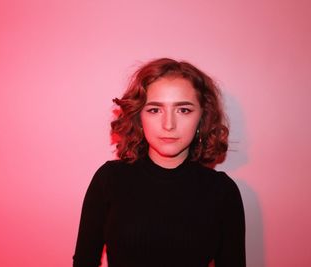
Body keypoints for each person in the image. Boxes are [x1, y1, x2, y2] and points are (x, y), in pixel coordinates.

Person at [73, 58, 246, 267]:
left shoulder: (222, 192)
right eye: (155, 110)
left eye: (183, 110)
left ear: (203, 117)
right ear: (139, 117)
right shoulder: (109, 180)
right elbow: (84, 261)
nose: (169, 125)